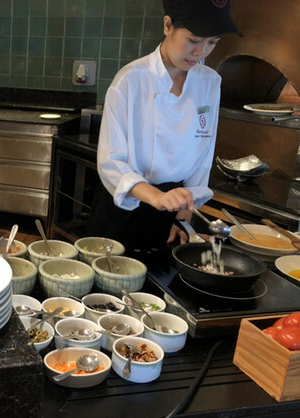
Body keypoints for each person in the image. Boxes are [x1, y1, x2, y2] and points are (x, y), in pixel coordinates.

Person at [88, 0, 242, 251]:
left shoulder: (209, 82)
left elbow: (203, 153)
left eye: (212, 42)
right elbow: (111, 162)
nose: (200, 52)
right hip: (126, 204)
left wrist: (184, 216)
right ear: (168, 25)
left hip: (174, 210)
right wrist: (157, 197)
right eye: (193, 40)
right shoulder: (130, 80)